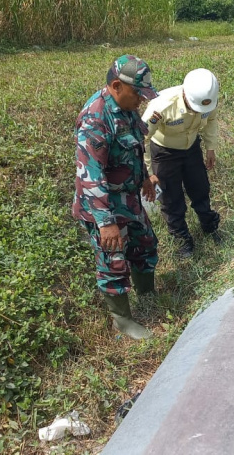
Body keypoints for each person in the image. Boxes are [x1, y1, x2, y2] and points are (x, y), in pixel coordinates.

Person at [72, 54, 160, 340]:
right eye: (138, 94)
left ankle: (147, 294)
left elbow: (134, 144)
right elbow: (90, 175)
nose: (142, 101)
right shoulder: (95, 120)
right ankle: (121, 320)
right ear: (116, 86)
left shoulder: (126, 107)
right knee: (113, 259)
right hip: (104, 205)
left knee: (145, 243)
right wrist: (106, 223)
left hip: (128, 195)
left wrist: (144, 177)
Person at [141, 68, 222, 258]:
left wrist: (210, 147)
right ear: (186, 95)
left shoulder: (209, 100)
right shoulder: (161, 106)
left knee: (200, 188)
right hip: (164, 153)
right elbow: (142, 138)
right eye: (194, 107)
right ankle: (182, 239)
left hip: (192, 147)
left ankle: (209, 227)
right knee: (171, 199)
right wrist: (148, 171)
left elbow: (211, 120)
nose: (197, 111)